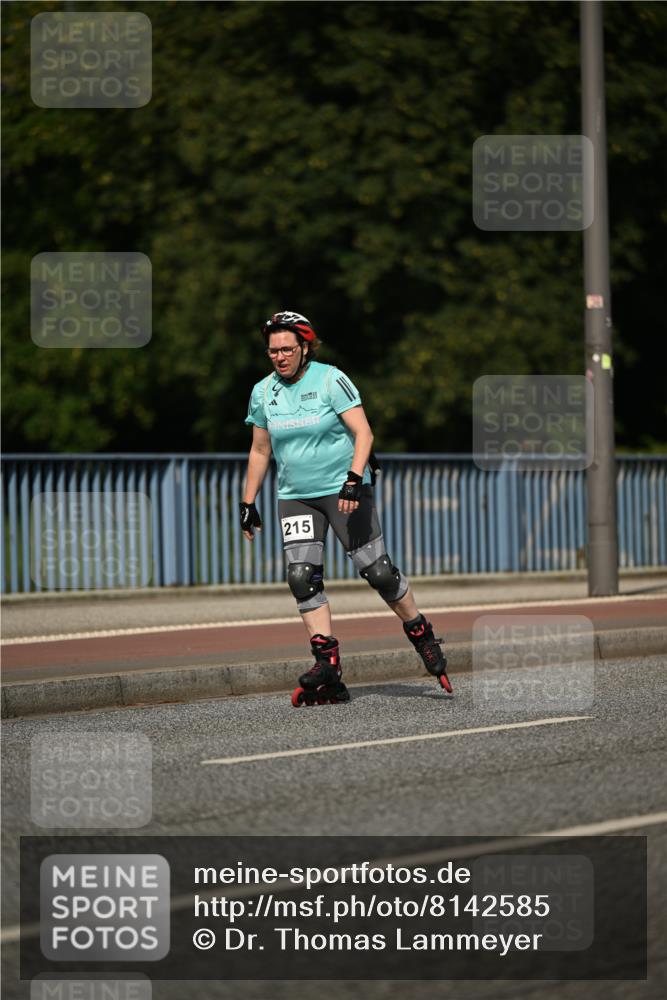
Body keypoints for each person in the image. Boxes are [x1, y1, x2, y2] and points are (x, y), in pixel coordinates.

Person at [240, 310, 452, 706]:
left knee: (378, 572)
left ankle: (419, 629)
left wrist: (354, 478)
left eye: (287, 349)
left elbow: (363, 432)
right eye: (273, 351)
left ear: (305, 347)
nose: (280, 357)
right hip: (296, 495)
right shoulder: (262, 391)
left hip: (344, 491)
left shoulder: (330, 379)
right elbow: (260, 449)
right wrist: (247, 501)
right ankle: (327, 667)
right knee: (302, 576)